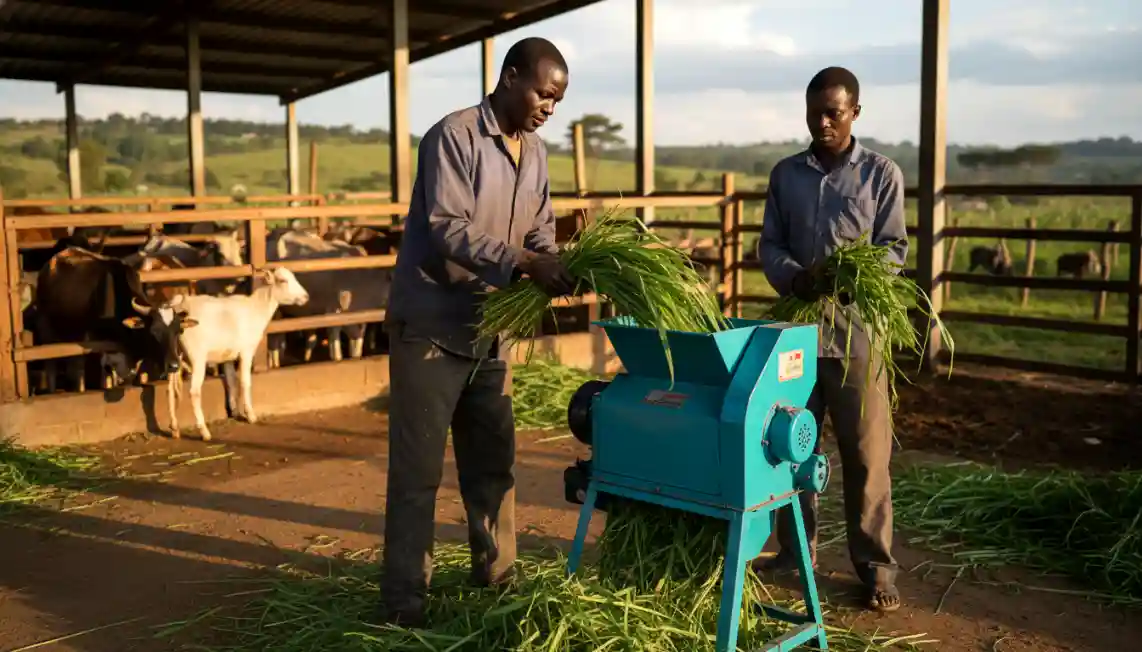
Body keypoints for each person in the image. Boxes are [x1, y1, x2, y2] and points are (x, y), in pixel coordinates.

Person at [378, 37, 578, 627]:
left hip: (492, 329)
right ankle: (403, 604)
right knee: (417, 474)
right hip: (433, 329)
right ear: (511, 77)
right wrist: (523, 262)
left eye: (558, 100)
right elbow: (446, 226)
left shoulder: (536, 152)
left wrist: (558, 261)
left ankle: (496, 578)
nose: (549, 107)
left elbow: (540, 228)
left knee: (493, 466)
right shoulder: (454, 135)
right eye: (544, 93)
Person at [755, 66, 907, 613]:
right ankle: (795, 553)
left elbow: (892, 251)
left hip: (858, 336)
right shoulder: (786, 174)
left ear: (855, 113)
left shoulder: (881, 174)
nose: (822, 122)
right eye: (814, 111)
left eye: (833, 113)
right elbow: (768, 245)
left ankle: (875, 567)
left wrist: (846, 277)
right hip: (796, 335)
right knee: (789, 449)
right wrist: (795, 277)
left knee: (867, 454)